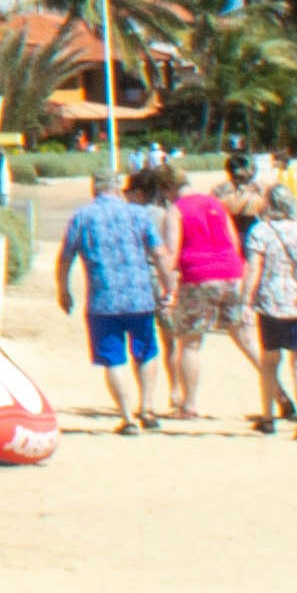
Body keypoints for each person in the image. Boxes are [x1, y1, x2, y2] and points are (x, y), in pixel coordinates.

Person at [52, 159, 176, 433]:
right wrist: (169, 285)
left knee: (113, 358)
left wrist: (64, 291)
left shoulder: (82, 217)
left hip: (103, 299)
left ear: (94, 189)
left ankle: (128, 418)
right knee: (146, 351)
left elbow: (65, 259)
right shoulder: (139, 215)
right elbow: (159, 253)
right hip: (139, 295)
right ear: (118, 188)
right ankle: (148, 408)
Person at [237, 172, 297, 434]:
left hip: (272, 304)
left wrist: (245, 302)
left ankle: (268, 417)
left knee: (270, 361)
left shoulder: (261, 231)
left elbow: (253, 269)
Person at [166, 155, 252, 415]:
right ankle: (277, 389)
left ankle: (189, 404)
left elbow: (172, 252)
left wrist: (168, 286)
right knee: (243, 336)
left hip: (198, 276)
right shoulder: (216, 202)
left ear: (168, 189)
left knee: (190, 342)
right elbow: (235, 244)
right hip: (230, 272)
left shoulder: (176, 209)